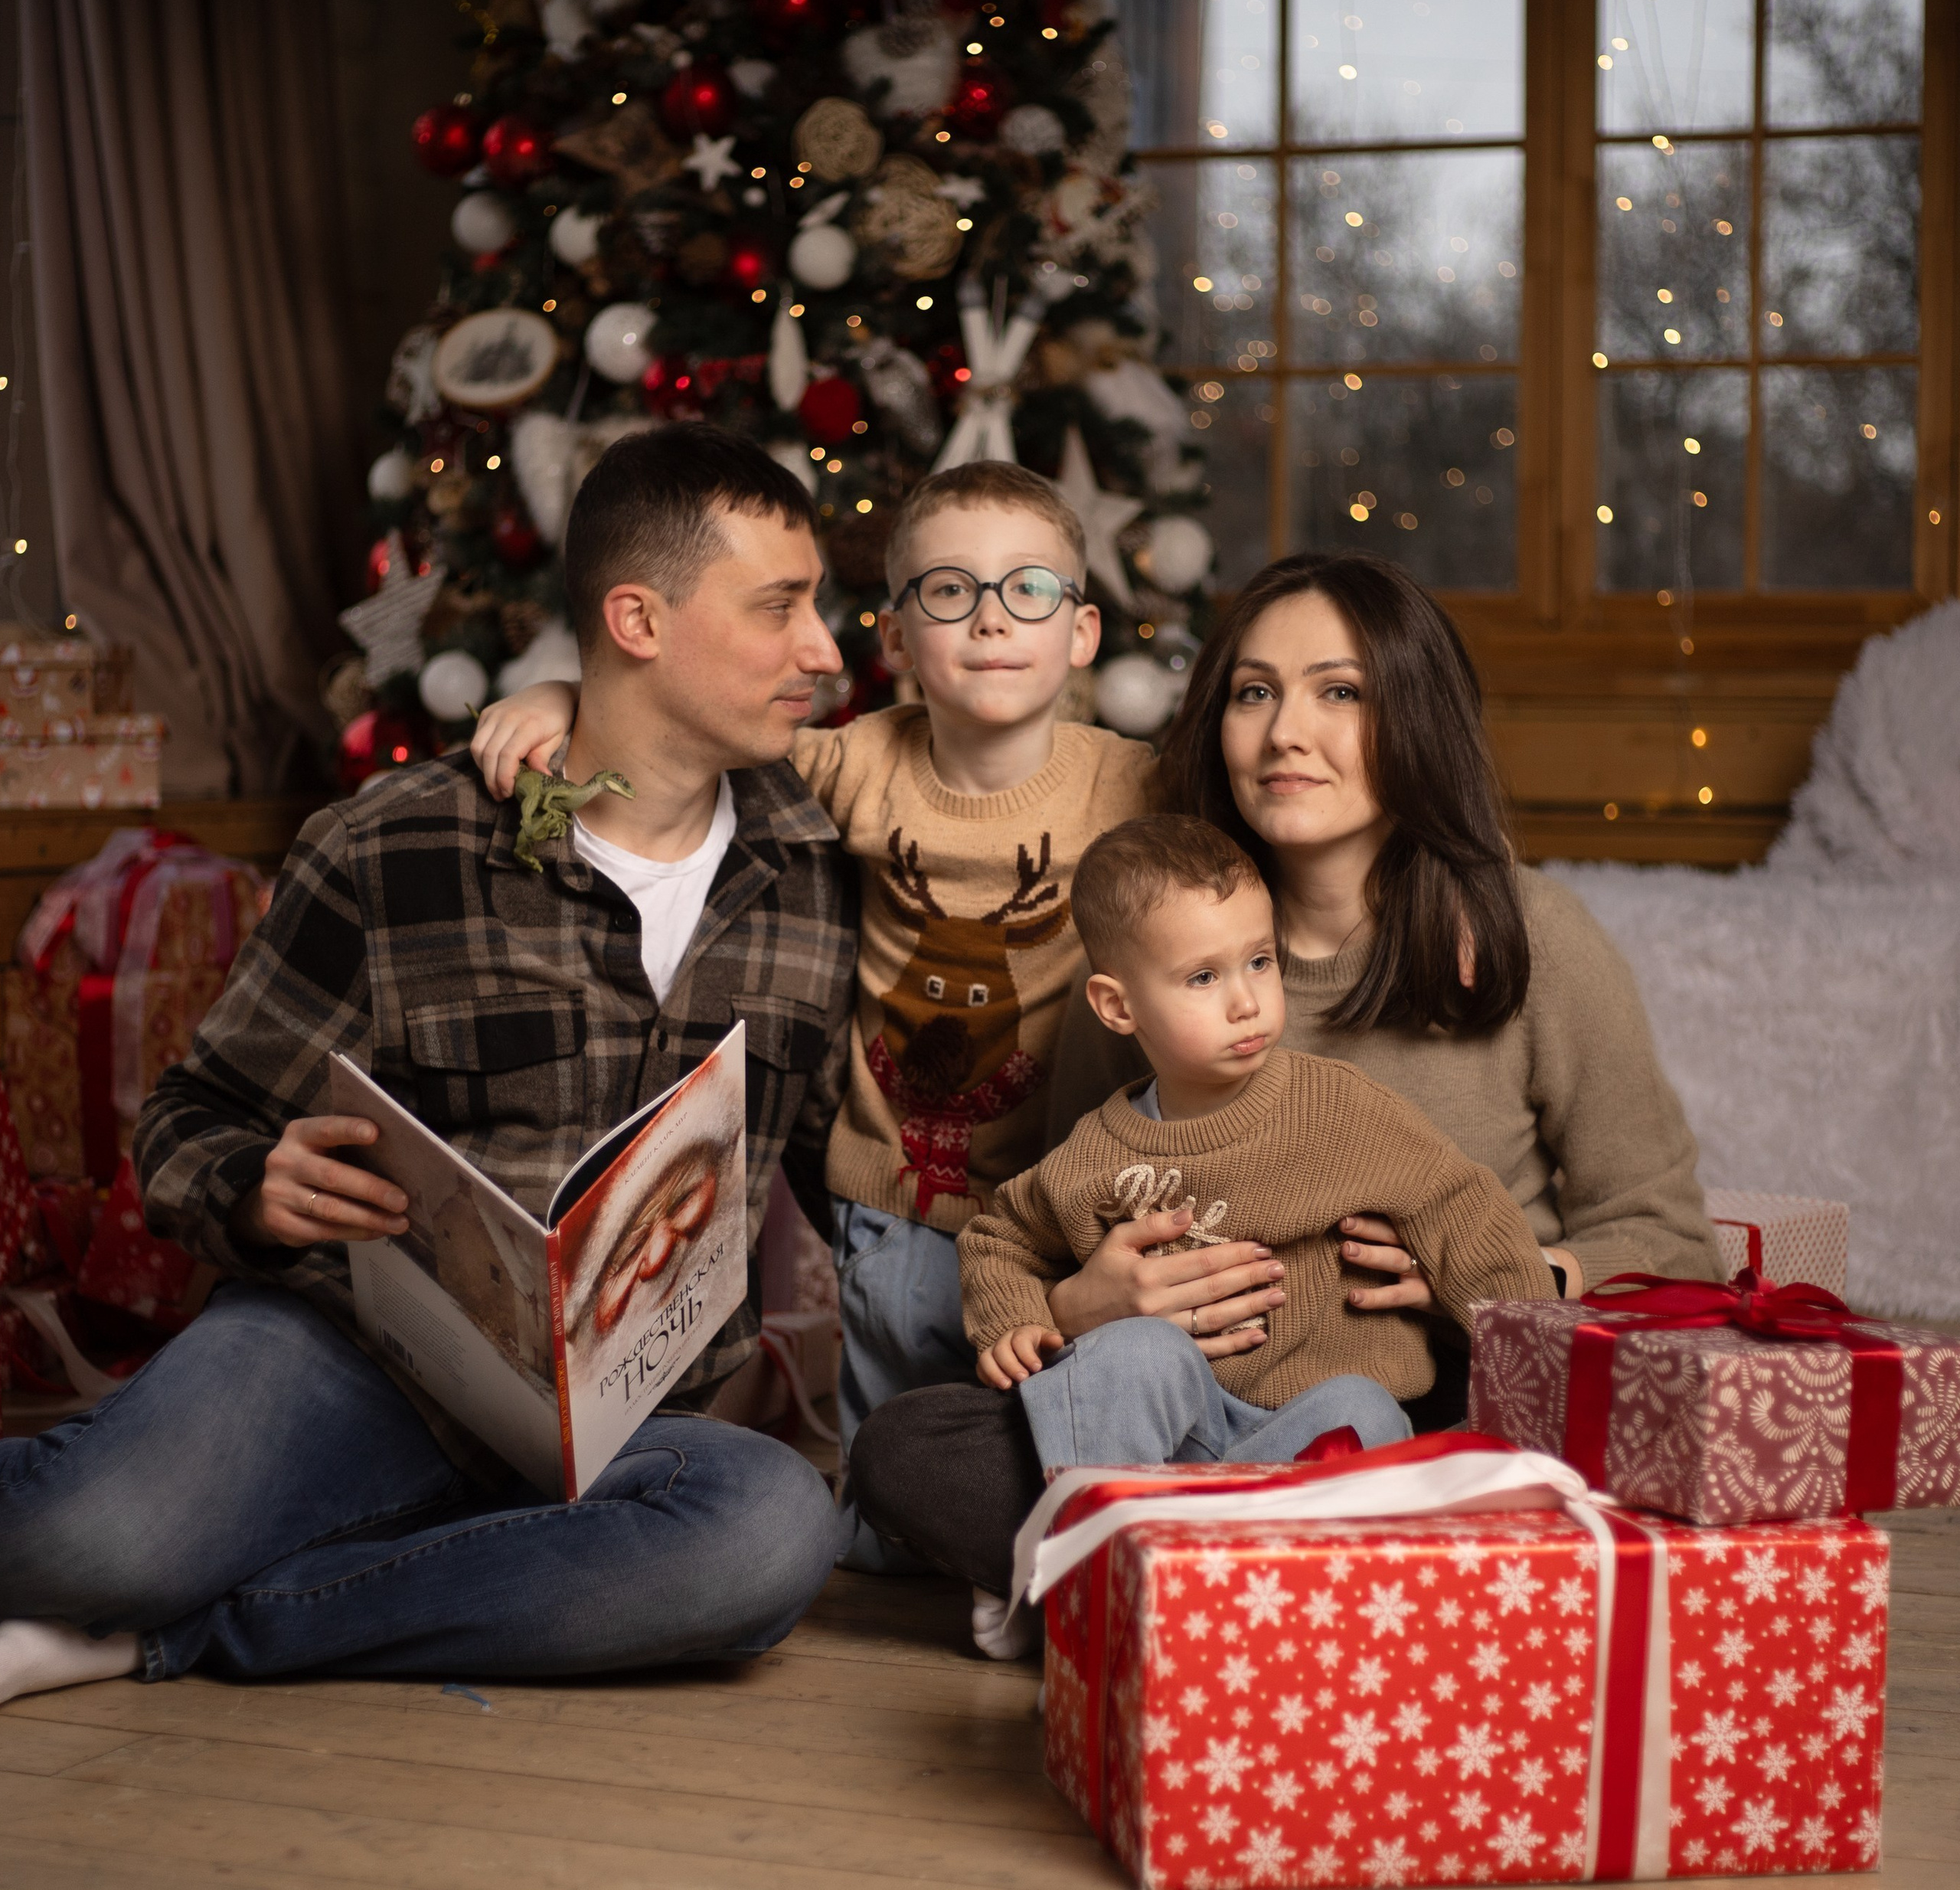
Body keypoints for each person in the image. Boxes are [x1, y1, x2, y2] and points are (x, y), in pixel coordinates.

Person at [0, 424, 857, 1707]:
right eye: (781, 609)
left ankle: (177, 1633)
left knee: (771, 1535)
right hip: (353, 1361)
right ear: (638, 618)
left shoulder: (821, 868)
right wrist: (251, 1184)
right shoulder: (403, 844)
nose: (826, 651)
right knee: (83, 1538)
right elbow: (191, 1115)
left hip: (621, 1430)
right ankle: (171, 1574)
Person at [850, 549, 1724, 1613]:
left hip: (1410, 1414)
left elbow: (1673, 1245)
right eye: (1253, 693)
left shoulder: (1527, 936)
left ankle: (1129, 1582)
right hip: (1166, 1410)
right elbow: (1058, 1198)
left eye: (1341, 694)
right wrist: (1084, 1307)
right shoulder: (1140, 963)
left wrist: (1512, 1284)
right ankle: (1228, 1585)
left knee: (1419, 1444)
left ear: (1415, 719)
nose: (1284, 734)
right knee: (905, 1446)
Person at [471, 461, 1156, 1587]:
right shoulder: (846, 766)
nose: (991, 617)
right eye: (950, 592)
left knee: (1063, 1419)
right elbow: (668, 735)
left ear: (1082, 634)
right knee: (900, 1464)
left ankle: (1066, 1572)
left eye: (1030, 591)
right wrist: (564, 699)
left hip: (1073, 1189)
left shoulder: (1140, 783)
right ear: (894, 637)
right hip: (903, 1197)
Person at [959, 813, 1550, 1475]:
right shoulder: (1093, 1154)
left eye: (1260, 961)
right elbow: (999, 1240)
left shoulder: (1341, 1109)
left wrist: (1537, 1377)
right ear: (1118, 1007)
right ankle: (1109, 1537)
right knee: (1135, 1355)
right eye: (1203, 978)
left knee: (1364, 1407)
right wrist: (1014, 1322)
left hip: (1305, 1437)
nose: (1247, 1001)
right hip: (1165, 1443)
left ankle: (1268, 1554)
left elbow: (1467, 1213)